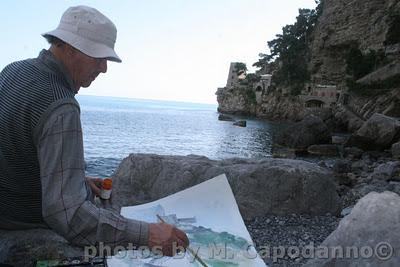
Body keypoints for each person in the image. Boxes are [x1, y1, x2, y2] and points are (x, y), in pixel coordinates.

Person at [0, 5, 188, 257]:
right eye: (98, 57)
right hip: (22, 225)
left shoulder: (12, 71)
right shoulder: (60, 105)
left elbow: (13, 152)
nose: (104, 68)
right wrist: (148, 234)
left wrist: (71, 178)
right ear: (70, 48)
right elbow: (67, 215)